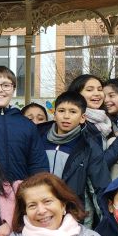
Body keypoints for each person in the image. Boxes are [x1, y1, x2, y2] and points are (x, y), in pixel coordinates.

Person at [37, 90, 110, 222]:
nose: (66, 116)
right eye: (61, 111)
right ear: (54, 115)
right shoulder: (38, 138)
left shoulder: (88, 146)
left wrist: (107, 222)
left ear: (82, 118)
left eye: (73, 112)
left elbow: (100, 187)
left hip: (72, 215)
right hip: (39, 210)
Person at [67, 73, 118, 169]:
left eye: (100, 89)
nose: (97, 93)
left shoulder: (105, 121)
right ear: (77, 94)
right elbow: (97, 167)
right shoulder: (77, 124)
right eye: (89, 90)